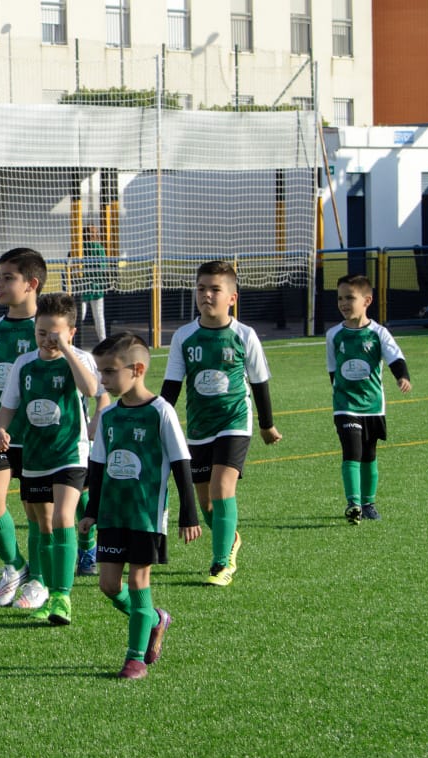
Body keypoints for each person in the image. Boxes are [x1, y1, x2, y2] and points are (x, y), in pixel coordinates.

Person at [80, 333, 201, 679]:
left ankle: (134, 658)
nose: (103, 380)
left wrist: (188, 514)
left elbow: (181, 462)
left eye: (109, 372)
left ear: (137, 369)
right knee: (108, 586)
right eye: (100, 372)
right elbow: (99, 466)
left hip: (147, 515)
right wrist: (91, 510)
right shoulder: (110, 416)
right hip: (113, 514)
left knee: (138, 580)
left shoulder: (161, 411)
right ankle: (154, 618)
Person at [161, 260, 281, 588]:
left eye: (215, 289)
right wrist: (157, 423)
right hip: (199, 428)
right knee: (206, 503)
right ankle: (231, 537)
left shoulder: (244, 335)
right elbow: (171, 386)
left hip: (235, 421)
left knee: (222, 488)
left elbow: (259, 382)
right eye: (201, 289)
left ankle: (220, 563)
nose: (207, 295)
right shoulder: (184, 336)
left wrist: (266, 425)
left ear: (232, 297)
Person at [0, 292, 109, 625]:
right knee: (40, 524)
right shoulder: (24, 364)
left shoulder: (81, 359)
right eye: (41, 333)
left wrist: (67, 350)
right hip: (35, 456)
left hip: (71, 453)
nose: (47, 340)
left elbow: (91, 389)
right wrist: (2, 429)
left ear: (71, 332)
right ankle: (43, 586)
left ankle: (62, 596)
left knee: (61, 518)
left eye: (55, 334)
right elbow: (8, 406)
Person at [0, 249, 46, 610]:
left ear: (31, 284)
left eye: (8, 277)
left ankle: (39, 580)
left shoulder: (48, 329)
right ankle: (16, 565)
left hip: (38, 433)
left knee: (37, 510)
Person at [326, 274, 412, 523]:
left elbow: (395, 357)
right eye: (340, 298)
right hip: (345, 405)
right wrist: (340, 392)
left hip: (373, 405)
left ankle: (368, 503)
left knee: (369, 454)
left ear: (367, 301)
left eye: (349, 298)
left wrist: (401, 376)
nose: (343, 303)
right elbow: (333, 368)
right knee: (351, 451)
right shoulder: (334, 335)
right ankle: (353, 504)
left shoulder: (378, 333)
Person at [78, 224, 109, 343]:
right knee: (97, 316)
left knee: (86, 315)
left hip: (89, 286)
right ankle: (103, 341)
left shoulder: (81, 247)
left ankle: (102, 341)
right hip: (91, 286)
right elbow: (103, 267)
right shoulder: (97, 248)